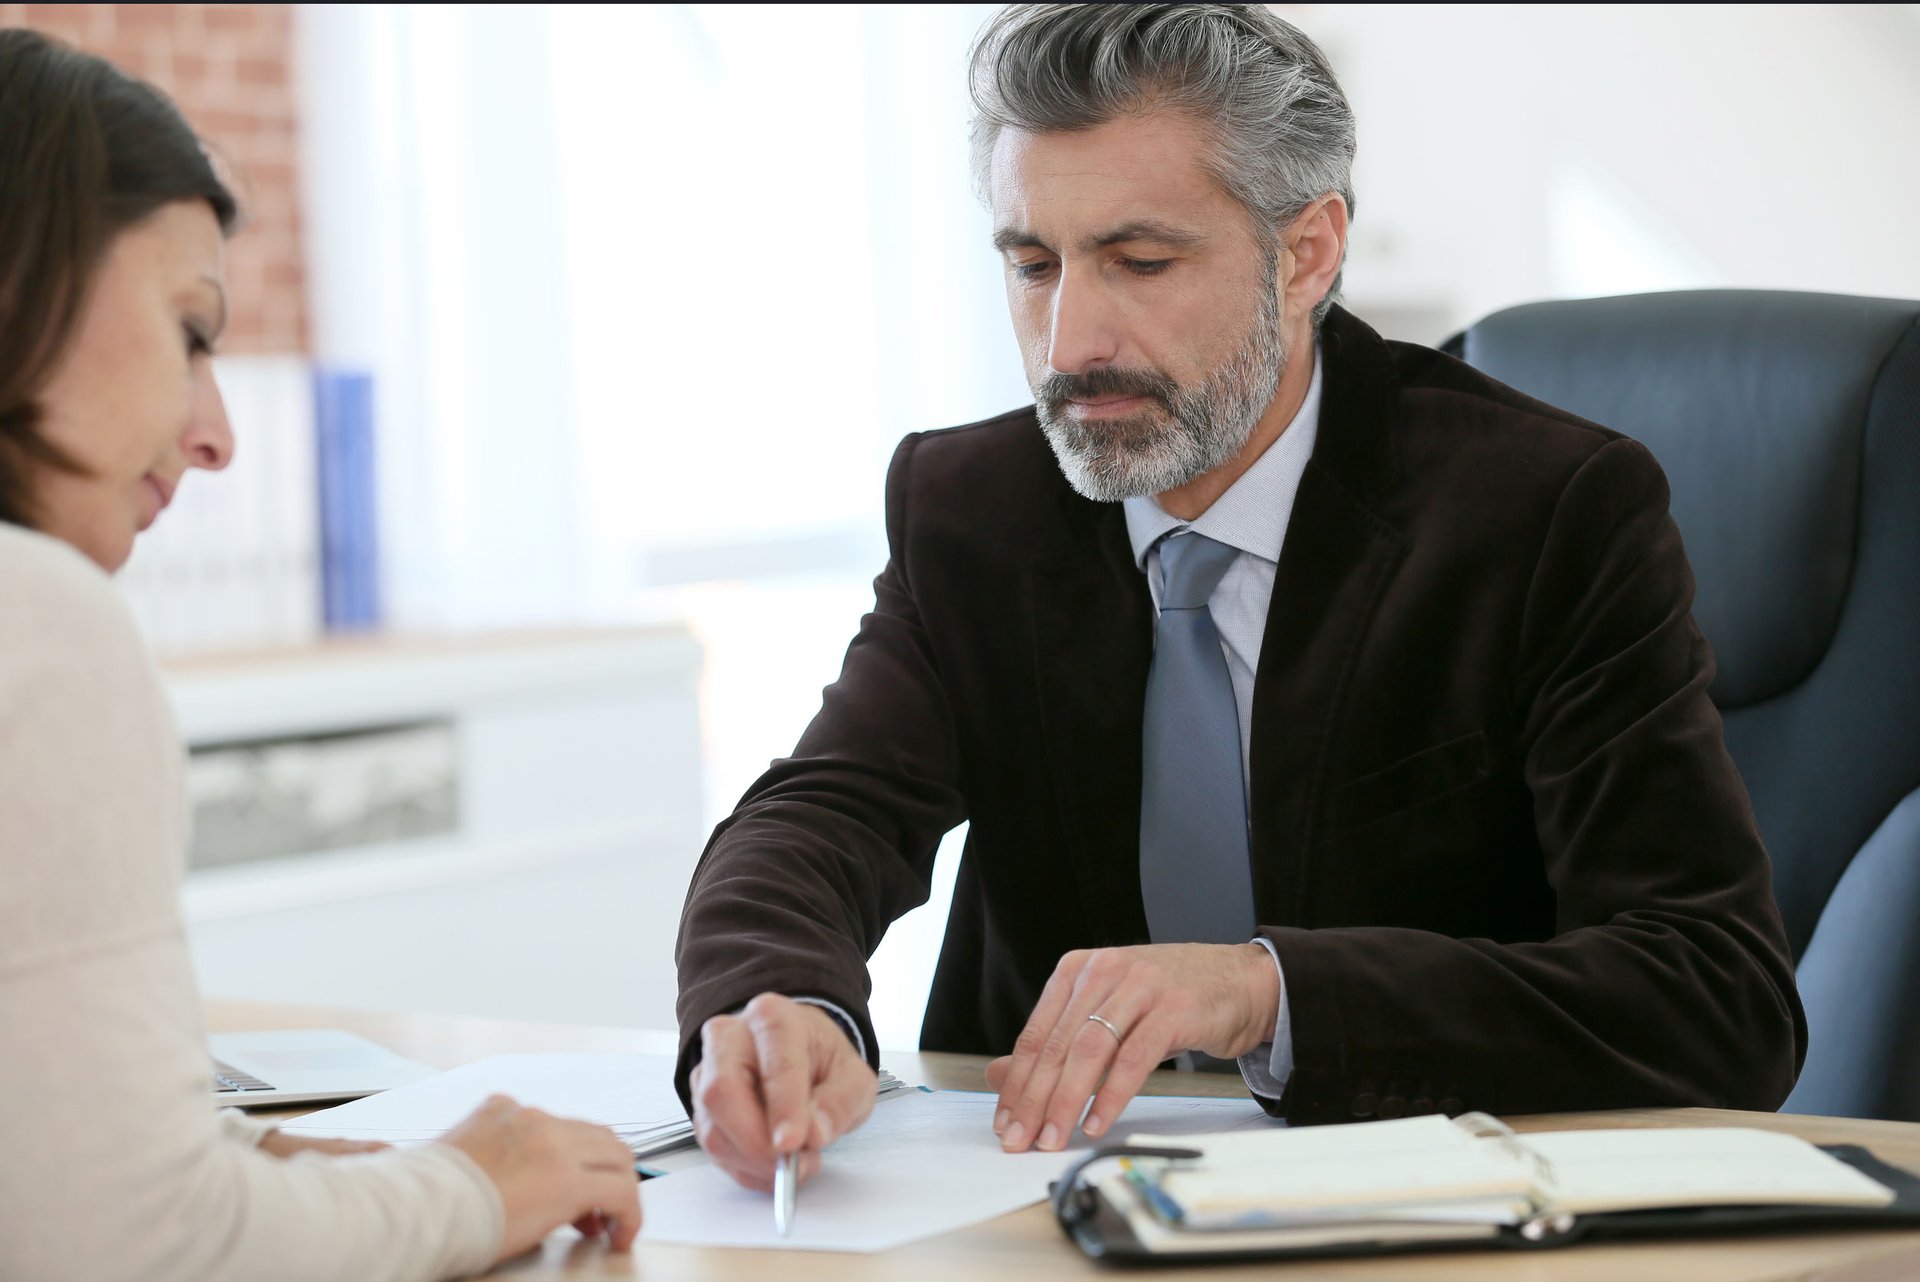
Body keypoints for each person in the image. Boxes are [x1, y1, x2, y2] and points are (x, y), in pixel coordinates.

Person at [675, 1, 1805, 1192]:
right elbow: (821, 817)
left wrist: (1265, 988)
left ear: (1308, 252)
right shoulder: (974, 505)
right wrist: (781, 1006)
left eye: (1140, 261)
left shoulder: (1545, 512)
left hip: (1426, 1203)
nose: (1070, 342)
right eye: (1034, 263)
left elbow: (1714, 993)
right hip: (1042, 1201)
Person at [0, 29, 640, 1281]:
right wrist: (470, 1186)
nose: (217, 436)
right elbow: (154, 1251)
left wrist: (231, 1164)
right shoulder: (38, 616)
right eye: (191, 332)